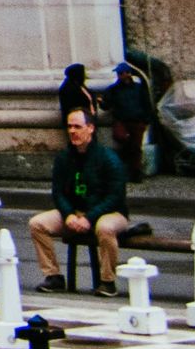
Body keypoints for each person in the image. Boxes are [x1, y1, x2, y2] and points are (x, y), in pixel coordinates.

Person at [24, 105, 133, 295]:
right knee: (37, 224)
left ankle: (107, 281)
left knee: (105, 228)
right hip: (76, 212)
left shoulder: (108, 158)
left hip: (109, 212)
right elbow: (58, 192)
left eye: (77, 126)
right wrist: (68, 215)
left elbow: (115, 196)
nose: (72, 131)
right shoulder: (64, 158)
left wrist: (89, 218)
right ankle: (53, 275)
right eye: (69, 127)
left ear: (90, 128)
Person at [101, 57, 158, 181]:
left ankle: (136, 173)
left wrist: (146, 119)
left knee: (136, 148)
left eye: (122, 73)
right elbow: (107, 105)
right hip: (122, 120)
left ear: (128, 74)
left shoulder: (138, 88)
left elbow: (146, 103)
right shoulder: (113, 89)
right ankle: (129, 167)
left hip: (137, 120)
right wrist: (102, 102)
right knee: (123, 139)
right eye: (118, 74)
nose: (120, 76)